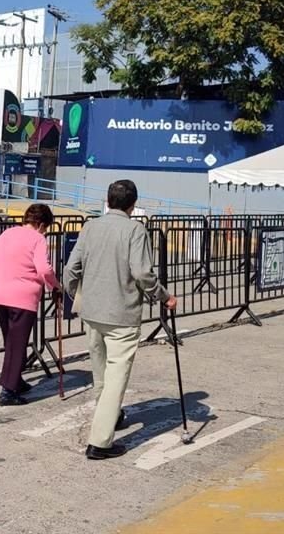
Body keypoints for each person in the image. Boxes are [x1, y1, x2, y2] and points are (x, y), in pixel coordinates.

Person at [65, 180, 177, 461]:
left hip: (91, 311)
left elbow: (71, 268)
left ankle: (110, 417)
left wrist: (76, 294)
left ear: (108, 200)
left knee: (100, 373)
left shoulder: (91, 226)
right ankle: (100, 442)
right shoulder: (135, 230)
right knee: (116, 377)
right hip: (121, 314)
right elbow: (141, 273)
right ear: (133, 204)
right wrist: (163, 297)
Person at [0, 204, 61, 406]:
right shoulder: (38, 239)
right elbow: (44, 269)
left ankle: (15, 380)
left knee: (10, 341)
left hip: (1, 294)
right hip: (23, 297)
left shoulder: (5, 235)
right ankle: (8, 390)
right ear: (41, 224)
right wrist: (55, 285)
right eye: (45, 228)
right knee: (17, 344)